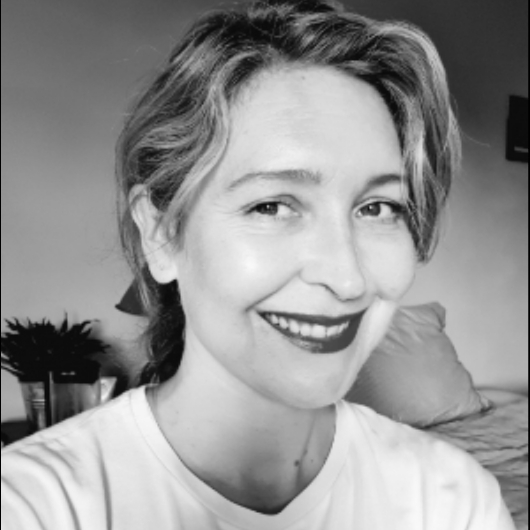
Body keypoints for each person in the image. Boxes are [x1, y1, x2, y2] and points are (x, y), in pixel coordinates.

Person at [1, 1, 517, 528]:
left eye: (378, 208)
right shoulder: (32, 505)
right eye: (271, 206)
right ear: (161, 234)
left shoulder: (452, 499)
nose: (347, 278)